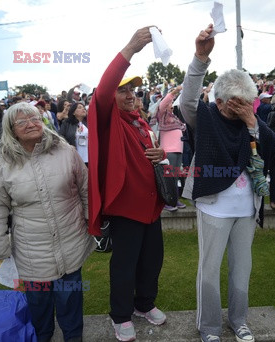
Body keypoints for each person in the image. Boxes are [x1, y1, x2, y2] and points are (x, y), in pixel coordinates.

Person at [179, 24, 275, 342]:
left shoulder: (251, 120)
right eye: (233, 104)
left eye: (245, 104)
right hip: (214, 207)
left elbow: (273, 147)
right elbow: (186, 102)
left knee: (242, 270)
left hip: (247, 209)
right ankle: (208, 327)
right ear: (220, 100)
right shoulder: (205, 116)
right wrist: (199, 59)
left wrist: (252, 122)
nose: (238, 110)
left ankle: (239, 321)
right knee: (209, 271)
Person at [0, 102, 95, 342]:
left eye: (34, 118)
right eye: (21, 122)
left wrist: (92, 221)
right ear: (11, 129)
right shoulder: (3, 164)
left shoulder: (66, 152)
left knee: (70, 300)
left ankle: (73, 337)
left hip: (71, 243)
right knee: (39, 307)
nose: (30, 124)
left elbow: (86, 190)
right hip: (32, 251)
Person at [87, 26, 167, 342]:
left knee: (152, 261)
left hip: (150, 207)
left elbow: (150, 158)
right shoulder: (108, 119)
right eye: (124, 90)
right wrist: (131, 48)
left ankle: (143, 305)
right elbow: (104, 89)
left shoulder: (140, 122)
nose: (130, 94)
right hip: (125, 209)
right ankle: (120, 316)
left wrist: (160, 154)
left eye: (133, 90)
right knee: (124, 266)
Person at [156, 85, 187, 211]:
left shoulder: (174, 117)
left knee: (174, 177)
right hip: (168, 151)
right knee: (168, 178)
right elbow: (164, 103)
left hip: (178, 151)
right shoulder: (163, 115)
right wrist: (175, 91)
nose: (172, 104)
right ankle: (165, 202)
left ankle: (174, 200)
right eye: (171, 102)